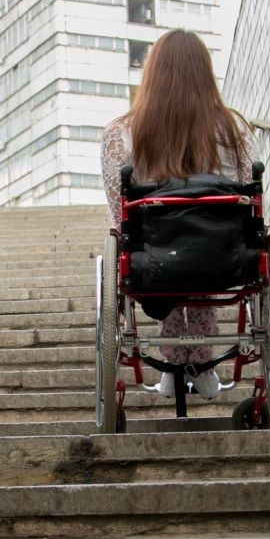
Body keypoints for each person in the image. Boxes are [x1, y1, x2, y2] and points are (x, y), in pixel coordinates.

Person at [99, 29, 254, 402]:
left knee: (158, 246)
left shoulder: (122, 133)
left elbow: (120, 211)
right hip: (223, 255)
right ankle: (200, 365)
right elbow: (250, 195)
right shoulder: (235, 129)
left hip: (157, 259)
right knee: (201, 240)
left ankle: (174, 364)